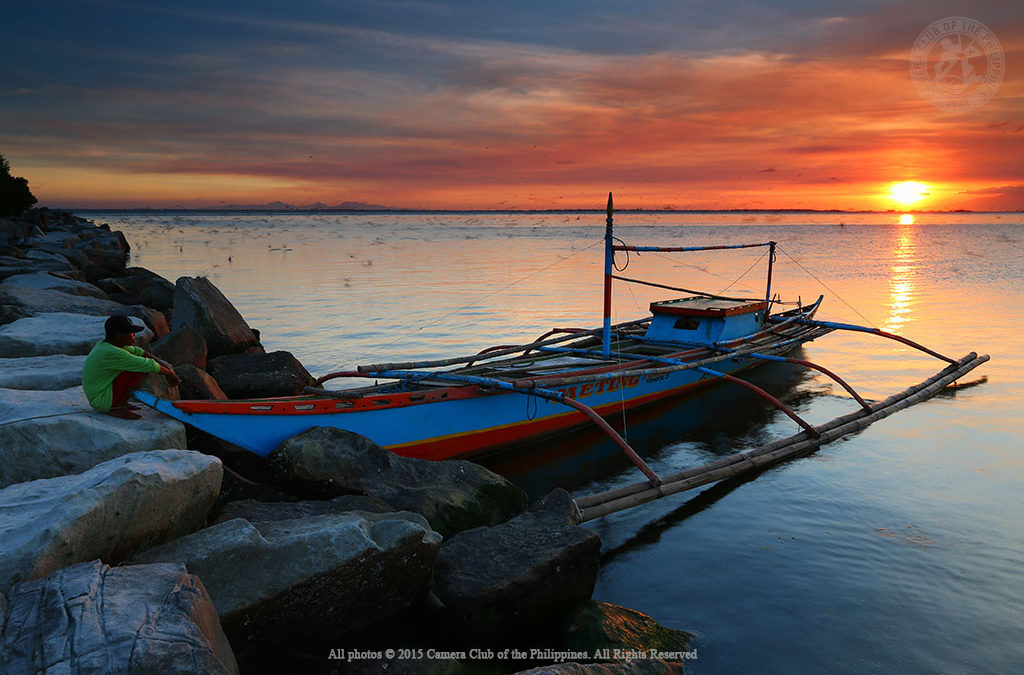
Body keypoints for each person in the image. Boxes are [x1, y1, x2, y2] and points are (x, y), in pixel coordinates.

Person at [82, 315, 180, 419]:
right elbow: (148, 364)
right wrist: (169, 373)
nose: (134, 335)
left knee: (139, 365)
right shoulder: (112, 352)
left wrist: (167, 369)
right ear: (119, 336)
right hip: (101, 400)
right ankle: (116, 408)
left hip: (101, 394)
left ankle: (120, 403)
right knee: (140, 369)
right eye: (131, 333)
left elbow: (141, 352)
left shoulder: (107, 344)